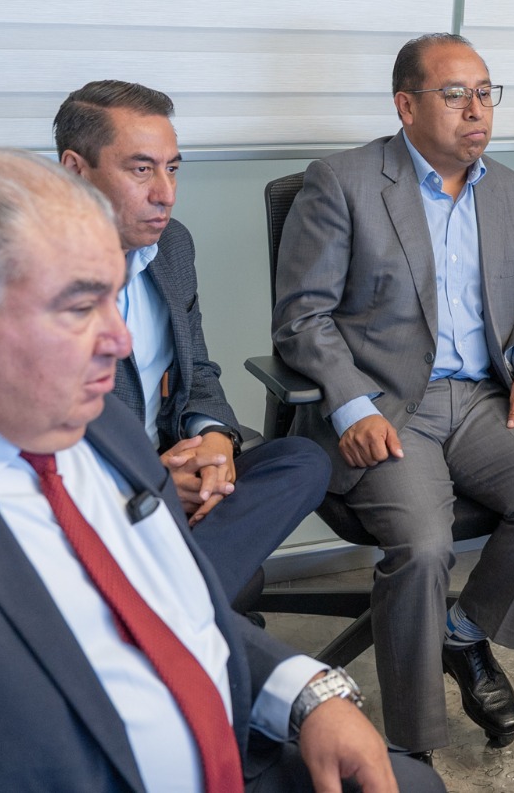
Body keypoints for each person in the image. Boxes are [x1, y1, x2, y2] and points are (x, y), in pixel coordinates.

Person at [0, 149, 440, 792]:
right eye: (80, 307)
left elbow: (166, 603)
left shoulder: (80, 408)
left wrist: (302, 691)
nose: (121, 342)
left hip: (221, 728)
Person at [271, 33, 514, 759]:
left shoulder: (510, 191)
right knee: (422, 546)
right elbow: (302, 319)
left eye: (484, 93)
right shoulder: (342, 182)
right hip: (388, 406)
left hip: (481, 399)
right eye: (454, 95)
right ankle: (412, 749)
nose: (476, 109)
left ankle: (463, 633)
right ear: (406, 105)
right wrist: (351, 405)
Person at [55, 80, 330, 604]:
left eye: (173, 168)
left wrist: (216, 441)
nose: (166, 193)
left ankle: (163, 590)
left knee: (304, 461)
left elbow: (197, 370)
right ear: (75, 170)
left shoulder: (172, 246)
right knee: (239, 580)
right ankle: (184, 593)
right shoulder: (34, 275)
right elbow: (31, 443)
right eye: (141, 170)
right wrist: (150, 483)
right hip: (96, 493)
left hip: (170, 465)